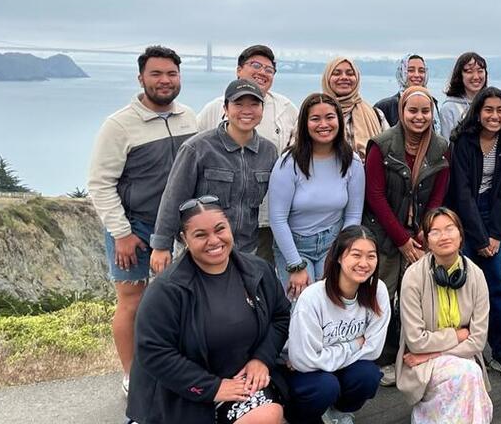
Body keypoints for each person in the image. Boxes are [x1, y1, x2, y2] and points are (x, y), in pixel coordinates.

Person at [87, 45, 198, 395]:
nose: (165, 81)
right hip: (134, 225)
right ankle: (134, 376)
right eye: (156, 74)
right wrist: (121, 233)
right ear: (141, 78)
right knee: (132, 301)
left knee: (187, 296)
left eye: (171, 74)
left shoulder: (189, 118)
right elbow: (100, 183)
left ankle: (176, 363)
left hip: (182, 225)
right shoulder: (119, 125)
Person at [126, 197, 291, 424]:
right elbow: (153, 352)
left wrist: (261, 359)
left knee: (268, 414)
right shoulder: (166, 290)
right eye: (200, 234)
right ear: (184, 239)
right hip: (182, 392)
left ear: (229, 227)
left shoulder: (258, 271)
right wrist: (212, 388)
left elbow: (280, 317)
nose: (214, 240)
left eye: (220, 229)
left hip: (241, 383)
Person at [363, 85, 451, 387]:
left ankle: (412, 351)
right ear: (401, 111)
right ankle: (383, 357)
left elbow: (439, 193)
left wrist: (426, 231)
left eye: (425, 110)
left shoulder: (440, 146)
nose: (419, 116)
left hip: (420, 234)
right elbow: (374, 195)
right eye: (412, 110)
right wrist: (401, 240)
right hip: (385, 234)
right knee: (382, 295)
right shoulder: (382, 145)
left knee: (416, 297)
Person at [151, 78, 278, 273]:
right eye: (238, 104)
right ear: (225, 109)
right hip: (198, 250)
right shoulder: (198, 148)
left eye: (254, 104)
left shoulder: (268, 151)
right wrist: (161, 246)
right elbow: (172, 198)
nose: (247, 110)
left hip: (245, 251)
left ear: (262, 110)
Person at [196, 44, 299, 265]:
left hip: (270, 219)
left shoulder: (286, 108)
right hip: (218, 220)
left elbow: (295, 159)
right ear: (238, 70)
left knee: (260, 280)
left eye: (269, 69)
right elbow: (194, 160)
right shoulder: (214, 108)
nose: (262, 72)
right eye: (255, 65)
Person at [446, 87, 501, 378]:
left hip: (495, 215)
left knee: (498, 287)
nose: (494, 116)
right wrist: (478, 237)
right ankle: (465, 351)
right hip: (464, 216)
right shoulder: (463, 142)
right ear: (478, 112)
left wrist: (496, 234)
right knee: (460, 285)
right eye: (488, 109)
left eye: (500, 110)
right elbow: (462, 192)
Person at [285, 226, 391, 424]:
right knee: (326, 386)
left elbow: (373, 350)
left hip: (331, 363)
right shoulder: (313, 298)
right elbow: (303, 361)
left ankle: (339, 412)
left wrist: (328, 356)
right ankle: (299, 417)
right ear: (339, 257)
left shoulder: (379, 291)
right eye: (356, 255)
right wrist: (352, 345)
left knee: (367, 375)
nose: (364, 263)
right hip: (307, 374)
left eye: (371, 256)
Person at [397, 208, 493, 423]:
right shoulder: (414, 276)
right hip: (421, 365)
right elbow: (416, 341)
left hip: (454, 357)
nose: (444, 236)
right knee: (468, 373)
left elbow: (477, 341)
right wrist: (457, 335)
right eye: (436, 232)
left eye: (450, 229)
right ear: (426, 240)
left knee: (468, 372)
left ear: (460, 235)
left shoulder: (476, 275)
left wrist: (433, 354)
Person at [269, 92, 365, 299]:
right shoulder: (288, 163)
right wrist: (295, 265)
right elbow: (277, 219)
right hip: (294, 244)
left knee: (329, 305)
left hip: (333, 243)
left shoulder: (352, 162)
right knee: (301, 308)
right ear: (305, 123)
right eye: (315, 119)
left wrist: (341, 253)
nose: (324, 124)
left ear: (339, 120)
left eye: (330, 117)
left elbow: (353, 215)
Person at [322, 56, 389, 160]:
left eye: (350, 73)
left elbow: (388, 152)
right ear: (327, 78)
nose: (344, 77)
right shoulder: (314, 114)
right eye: (336, 73)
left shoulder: (376, 115)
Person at [438, 52, 488, 138]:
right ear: (459, 75)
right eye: (469, 72)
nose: (476, 77)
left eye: (480, 71)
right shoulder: (449, 108)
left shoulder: (489, 103)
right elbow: (448, 143)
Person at [375, 54, 431, 126]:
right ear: (402, 73)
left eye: (421, 71)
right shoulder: (385, 107)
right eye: (411, 70)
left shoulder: (431, 103)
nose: (417, 75)